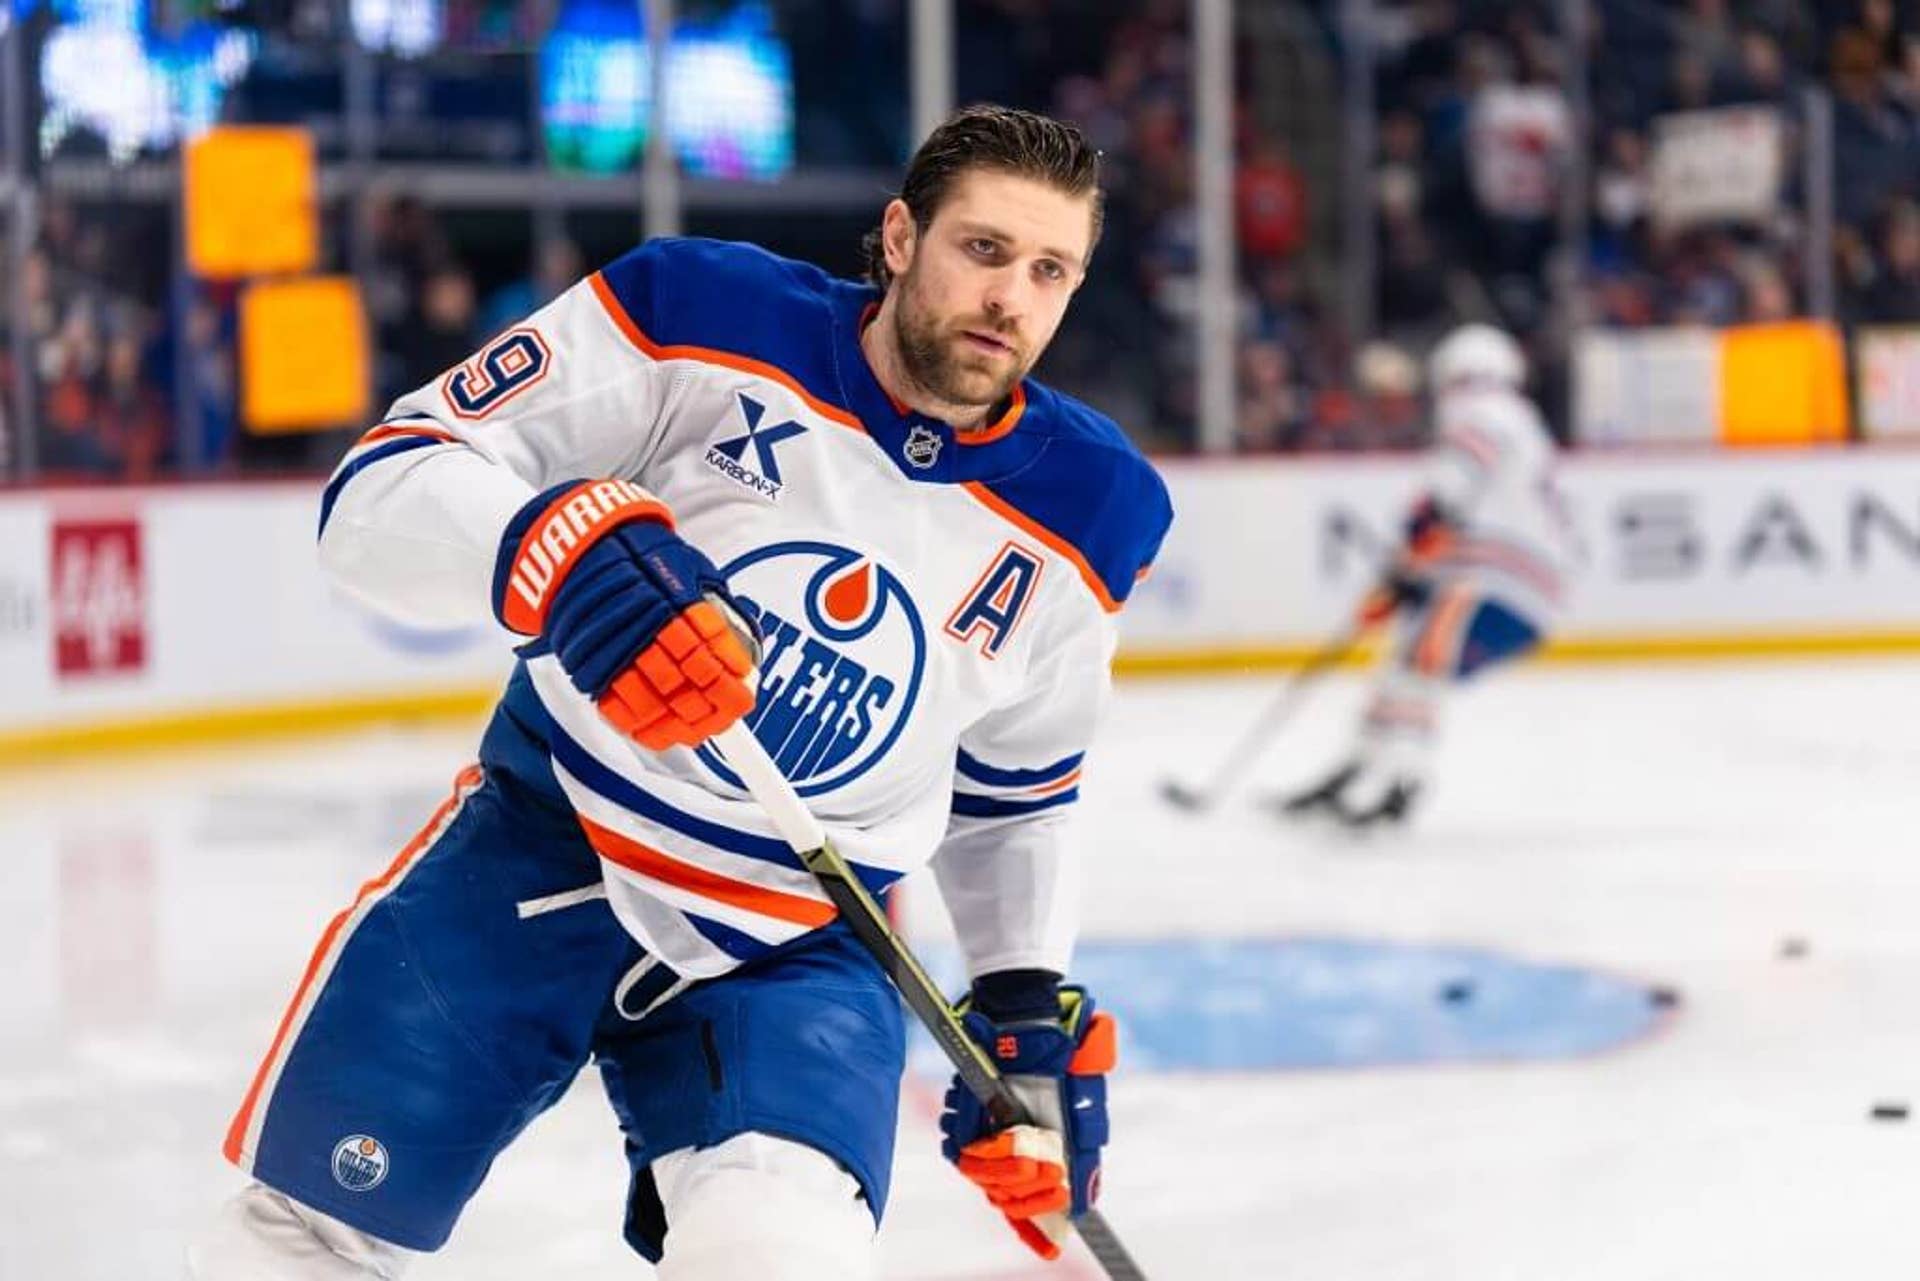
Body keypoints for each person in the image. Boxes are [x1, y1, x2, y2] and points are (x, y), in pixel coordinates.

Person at [186, 105, 1171, 1280]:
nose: (1012, 297)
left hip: (798, 942)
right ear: (902, 236)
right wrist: (549, 552)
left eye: (1051, 269)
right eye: (985, 250)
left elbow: (1015, 789)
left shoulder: (1092, 509)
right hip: (543, 852)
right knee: (298, 1244)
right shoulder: (702, 316)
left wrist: (1020, 1016)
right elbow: (383, 492)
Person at [1278, 324, 1571, 830]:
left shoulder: (1481, 414)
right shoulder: (1523, 421)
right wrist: (1416, 567)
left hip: (1497, 577)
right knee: (1404, 663)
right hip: (1515, 579)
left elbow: (1449, 493)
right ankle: (1365, 765)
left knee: (1418, 664)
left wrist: (1413, 548)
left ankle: (1400, 778)